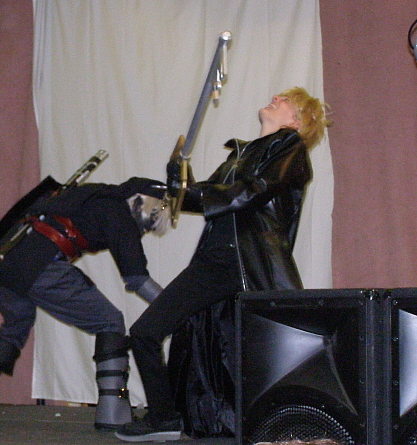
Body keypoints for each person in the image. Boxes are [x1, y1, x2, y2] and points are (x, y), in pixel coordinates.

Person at [115, 87, 330, 442]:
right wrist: (177, 185)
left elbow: (252, 192)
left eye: (286, 101)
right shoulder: (240, 156)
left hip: (243, 260)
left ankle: (164, 418)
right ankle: (172, 418)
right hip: (221, 259)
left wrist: (193, 191)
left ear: (296, 121)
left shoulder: (289, 146)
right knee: (208, 349)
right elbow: (205, 198)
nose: (276, 98)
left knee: (150, 332)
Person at [0, 176, 171, 431]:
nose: (147, 228)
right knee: (110, 321)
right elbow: (137, 278)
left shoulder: (91, 194)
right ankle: (113, 411)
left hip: (7, 261)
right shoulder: (117, 211)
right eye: (152, 218)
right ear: (140, 202)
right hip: (41, 265)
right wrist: (175, 307)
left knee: (14, 327)